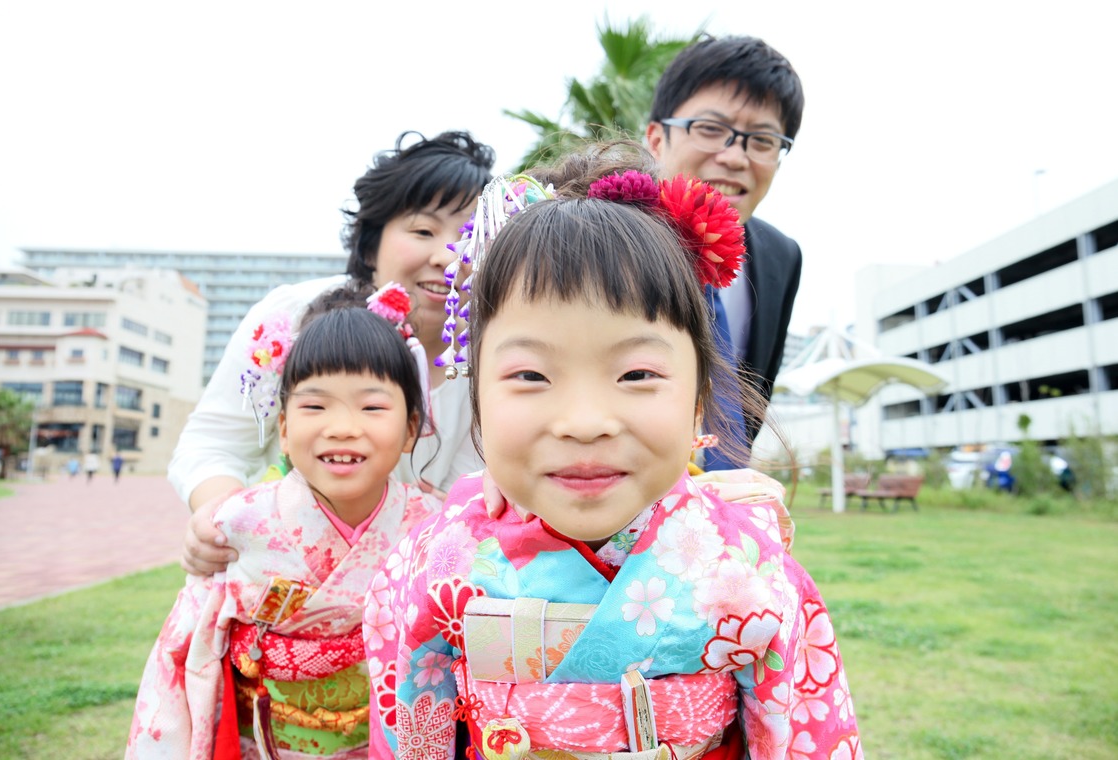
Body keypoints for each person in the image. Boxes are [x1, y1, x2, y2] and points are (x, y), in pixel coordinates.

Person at [364, 169, 859, 758]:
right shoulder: (440, 556)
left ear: (699, 399)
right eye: (530, 376)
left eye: (636, 375)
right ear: (479, 399)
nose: (584, 421)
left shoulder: (752, 567)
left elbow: (802, 740)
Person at [128, 285, 444, 759]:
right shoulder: (240, 522)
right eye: (314, 406)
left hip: (389, 736)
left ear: (411, 429)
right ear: (283, 428)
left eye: (372, 406)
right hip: (268, 738)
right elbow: (185, 647)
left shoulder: (433, 527)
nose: (342, 426)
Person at [173, 130, 495, 575]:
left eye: (470, 235)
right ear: (370, 244)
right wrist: (221, 520)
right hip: (292, 574)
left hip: (423, 590)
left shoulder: (498, 350)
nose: (447, 256)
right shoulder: (294, 316)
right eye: (423, 230)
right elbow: (213, 444)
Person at [645, 35, 805, 452]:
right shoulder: (597, 231)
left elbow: (753, 388)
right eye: (711, 129)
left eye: (764, 140)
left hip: (725, 499)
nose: (736, 157)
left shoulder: (781, 256)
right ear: (657, 139)